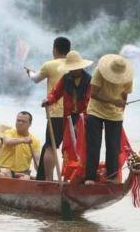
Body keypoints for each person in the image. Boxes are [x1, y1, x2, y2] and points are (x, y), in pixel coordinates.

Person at [40, 50, 93, 180]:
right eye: (72, 69)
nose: (74, 71)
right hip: (67, 117)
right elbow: (55, 93)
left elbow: (89, 103)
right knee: (60, 148)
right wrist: (48, 100)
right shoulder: (66, 78)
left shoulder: (89, 80)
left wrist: (80, 123)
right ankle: (53, 179)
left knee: (79, 149)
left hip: (82, 118)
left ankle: (75, 178)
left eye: (76, 68)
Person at [26, 36, 71, 180]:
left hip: (56, 111)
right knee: (69, 146)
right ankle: (70, 178)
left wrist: (30, 72)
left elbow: (35, 79)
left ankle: (48, 180)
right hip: (75, 112)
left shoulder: (50, 65)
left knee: (51, 146)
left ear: (55, 49)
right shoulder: (75, 65)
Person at [84, 54, 133, 184]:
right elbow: (93, 94)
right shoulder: (99, 71)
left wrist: (121, 108)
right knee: (94, 145)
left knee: (113, 147)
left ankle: (112, 177)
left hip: (115, 114)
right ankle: (90, 177)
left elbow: (124, 96)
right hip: (96, 110)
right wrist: (113, 101)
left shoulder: (128, 77)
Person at [0, 112, 41, 179]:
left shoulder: (35, 141)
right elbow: (7, 141)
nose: (20, 123)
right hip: (6, 170)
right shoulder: (9, 132)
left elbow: (37, 161)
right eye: (18, 120)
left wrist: (41, 174)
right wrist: (23, 140)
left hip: (23, 172)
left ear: (30, 124)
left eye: (24, 121)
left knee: (25, 179)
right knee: (4, 174)